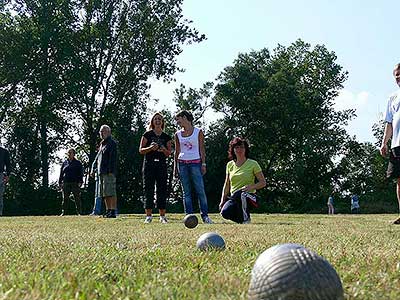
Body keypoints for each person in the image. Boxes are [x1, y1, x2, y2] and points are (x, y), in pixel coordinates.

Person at [173, 110, 212, 224]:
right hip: (182, 163)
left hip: (196, 162)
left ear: (184, 117)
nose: (177, 122)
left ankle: (205, 216)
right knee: (186, 192)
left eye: (178, 119)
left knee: (200, 190)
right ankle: (189, 216)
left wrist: (203, 163)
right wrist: (175, 167)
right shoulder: (177, 134)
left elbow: (202, 148)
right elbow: (176, 151)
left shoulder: (198, 131)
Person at [219, 137, 266, 224]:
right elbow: (227, 184)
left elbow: (263, 183)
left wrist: (251, 187)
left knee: (242, 194)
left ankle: (246, 219)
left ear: (246, 149)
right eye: (237, 147)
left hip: (250, 196)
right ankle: (241, 220)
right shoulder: (230, 165)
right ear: (233, 150)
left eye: (242, 147)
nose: (239, 150)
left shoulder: (253, 164)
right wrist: (222, 200)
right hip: (234, 197)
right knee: (224, 212)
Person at [139, 112, 172, 224]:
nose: (157, 121)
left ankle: (162, 216)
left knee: (162, 189)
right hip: (149, 164)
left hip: (161, 165)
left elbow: (169, 153)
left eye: (160, 119)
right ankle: (148, 216)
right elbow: (141, 150)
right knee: (148, 189)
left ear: (162, 122)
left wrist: (163, 149)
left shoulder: (166, 137)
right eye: (155, 119)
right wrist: (150, 148)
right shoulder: (147, 135)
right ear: (152, 121)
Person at [380, 63, 400, 224]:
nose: (398, 77)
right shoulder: (392, 98)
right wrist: (384, 143)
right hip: (396, 144)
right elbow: (389, 123)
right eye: (396, 75)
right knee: (399, 180)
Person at [97, 125, 118, 218]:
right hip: (102, 171)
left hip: (109, 171)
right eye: (101, 132)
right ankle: (108, 210)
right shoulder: (102, 144)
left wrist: (110, 170)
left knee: (111, 191)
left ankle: (113, 210)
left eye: (104, 131)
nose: (102, 133)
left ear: (109, 132)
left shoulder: (112, 143)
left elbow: (113, 158)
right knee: (104, 193)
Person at [59, 148, 84, 216]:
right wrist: (60, 182)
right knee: (65, 198)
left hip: (75, 182)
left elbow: (81, 173)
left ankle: (79, 212)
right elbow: (61, 173)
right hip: (66, 182)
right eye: (68, 153)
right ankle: (64, 212)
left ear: (74, 154)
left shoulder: (78, 163)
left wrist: (81, 181)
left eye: (71, 153)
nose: (69, 154)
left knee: (77, 198)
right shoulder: (64, 163)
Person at [89, 143, 103, 216]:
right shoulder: (98, 155)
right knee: (97, 194)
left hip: (106, 175)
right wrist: (92, 171)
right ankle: (96, 211)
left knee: (110, 194)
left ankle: (113, 210)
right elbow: (94, 163)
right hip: (98, 177)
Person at [0, 146, 11, 216]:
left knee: (0, 195)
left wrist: (7, 175)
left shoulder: (4, 151)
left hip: (0, 175)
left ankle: (0, 213)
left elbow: (8, 164)